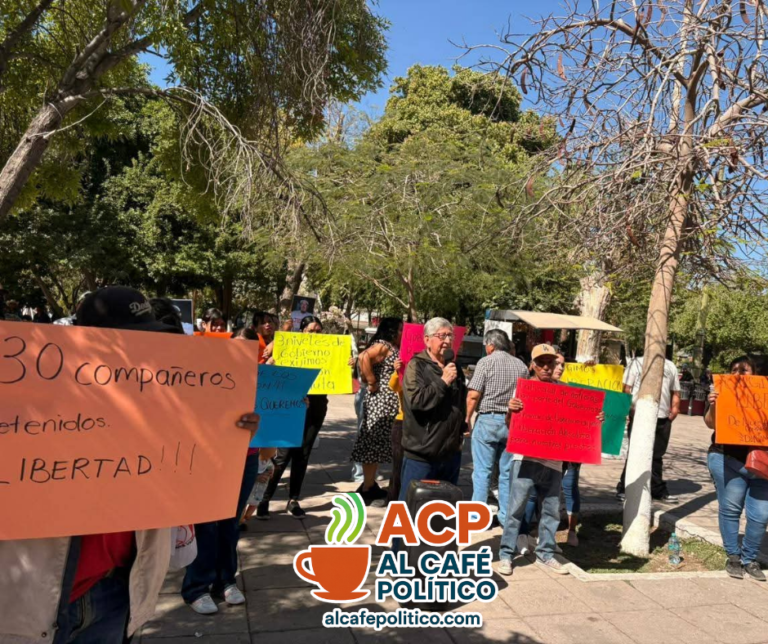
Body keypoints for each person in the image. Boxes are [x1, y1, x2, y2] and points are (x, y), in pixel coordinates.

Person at [0, 286, 261, 644]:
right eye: (129, 341)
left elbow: (190, 487)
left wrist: (229, 436)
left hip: (116, 594)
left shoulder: (159, 409)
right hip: (37, 603)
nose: (143, 354)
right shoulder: (30, 406)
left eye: (150, 340)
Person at [498, 344, 603, 577]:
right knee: (515, 509)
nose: (546, 367)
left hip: (554, 463)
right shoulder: (523, 390)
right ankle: (506, 554)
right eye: (541, 363)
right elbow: (510, 426)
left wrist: (596, 417)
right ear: (532, 365)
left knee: (551, 510)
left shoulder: (565, 392)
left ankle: (546, 553)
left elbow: (580, 422)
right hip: (525, 460)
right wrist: (510, 411)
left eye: (550, 363)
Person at [182, 326, 265, 614]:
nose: (241, 354)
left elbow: (276, 417)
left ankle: (225, 580)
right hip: (210, 457)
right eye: (236, 346)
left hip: (246, 458)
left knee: (230, 522)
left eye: (249, 349)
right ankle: (196, 587)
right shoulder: (206, 374)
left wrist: (294, 404)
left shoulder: (264, 380)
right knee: (205, 522)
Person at [257, 316, 329, 519]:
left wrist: (348, 364)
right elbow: (270, 367)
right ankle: (263, 499)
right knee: (282, 455)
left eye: (318, 331)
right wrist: (273, 355)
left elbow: (341, 375)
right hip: (291, 405)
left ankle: (294, 499)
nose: (315, 334)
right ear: (302, 331)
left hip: (316, 405)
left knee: (303, 455)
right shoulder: (289, 347)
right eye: (311, 330)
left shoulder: (328, 350)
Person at [705, 356, 767, 582]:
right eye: (734, 370)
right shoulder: (722, 393)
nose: (738, 374)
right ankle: (733, 556)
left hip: (762, 464)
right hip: (728, 459)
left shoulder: (764, 393)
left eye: (744, 369)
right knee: (730, 509)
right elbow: (711, 423)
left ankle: (750, 559)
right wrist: (714, 404)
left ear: (756, 373)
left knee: (761, 515)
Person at [466, 329, 528, 529]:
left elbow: (474, 395)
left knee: (482, 472)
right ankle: (505, 517)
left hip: (488, 420)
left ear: (491, 345)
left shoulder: (485, 362)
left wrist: (466, 418)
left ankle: (477, 519)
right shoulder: (521, 366)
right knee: (507, 473)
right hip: (512, 422)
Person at [400, 318, 468, 498]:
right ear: (427, 340)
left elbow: (459, 400)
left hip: (450, 454)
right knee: (411, 506)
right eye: (442, 336)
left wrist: (462, 425)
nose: (447, 341)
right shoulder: (416, 366)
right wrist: (443, 381)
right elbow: (417, 401)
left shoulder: (455, 367)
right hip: (422, 454)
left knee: (443, 509)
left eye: (450, 336)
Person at [616, 349, 681, 503]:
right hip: (639, 416)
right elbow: (626, 388)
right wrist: (628, 409)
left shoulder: (670, 366)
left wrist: (675, 409)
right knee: (635, 453)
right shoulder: (636, 363)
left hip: (662, 418)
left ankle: (657, 490)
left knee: (657, 455)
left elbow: (675, 391)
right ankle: (625, 488)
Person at [351, 318, 404, 506]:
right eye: (400, 329)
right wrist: (372, 381)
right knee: (373, 443)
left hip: (387, 402)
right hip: (380, 401)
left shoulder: (389, 346)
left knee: (378, 445)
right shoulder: (384, 345)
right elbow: (363, 356)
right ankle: (367, 487)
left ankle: (370, 484)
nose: (402, 332)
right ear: (392, 330)